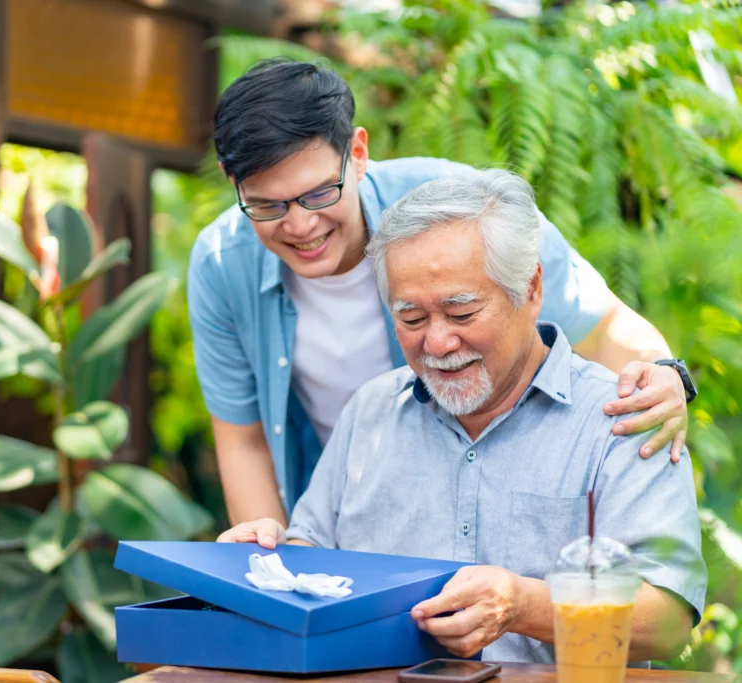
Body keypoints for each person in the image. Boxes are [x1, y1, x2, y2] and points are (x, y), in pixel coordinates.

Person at [216, 169, 706, 664]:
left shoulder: (620, 419)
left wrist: (526, 606)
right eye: (410, 318)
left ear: (531, 288)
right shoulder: (370, 410)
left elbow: (667, 623)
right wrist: (271, 559)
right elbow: (312, 553)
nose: (437, 343)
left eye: (462, 313)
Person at [188, 59, 697, 526]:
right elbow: (245, 441)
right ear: (233, 183)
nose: (300, 224)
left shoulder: (462, 212)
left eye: (320, 193)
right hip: (346, 522)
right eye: (267, 206)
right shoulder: (220, 264)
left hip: (498, 504)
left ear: (357, 153)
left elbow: (605, 326)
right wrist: (274, 582)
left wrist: (665, 375)